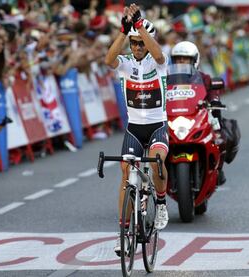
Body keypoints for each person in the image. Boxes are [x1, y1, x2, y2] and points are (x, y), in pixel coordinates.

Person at [104, 3, 169, 256]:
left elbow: (159, 55)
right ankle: (123, 234)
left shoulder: (159, 61)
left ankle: (161, 202)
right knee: (125, 177)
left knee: (156, 162)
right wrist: (124, 31)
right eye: (134, 43)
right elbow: (109, 59)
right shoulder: (125, 63)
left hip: (157, 126)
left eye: (141, 43)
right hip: (134, 128)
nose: (137, 47)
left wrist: (141, 28)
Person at [170, 40, 227, 185]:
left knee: (220, 134)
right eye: (178, 59)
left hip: (198, 115)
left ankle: (218, 168)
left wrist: (214, 101)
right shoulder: (166, 78)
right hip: (175, 116)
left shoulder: (203, 78)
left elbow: (213, 91)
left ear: (195, 60)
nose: (181, 61)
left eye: (185, 58)